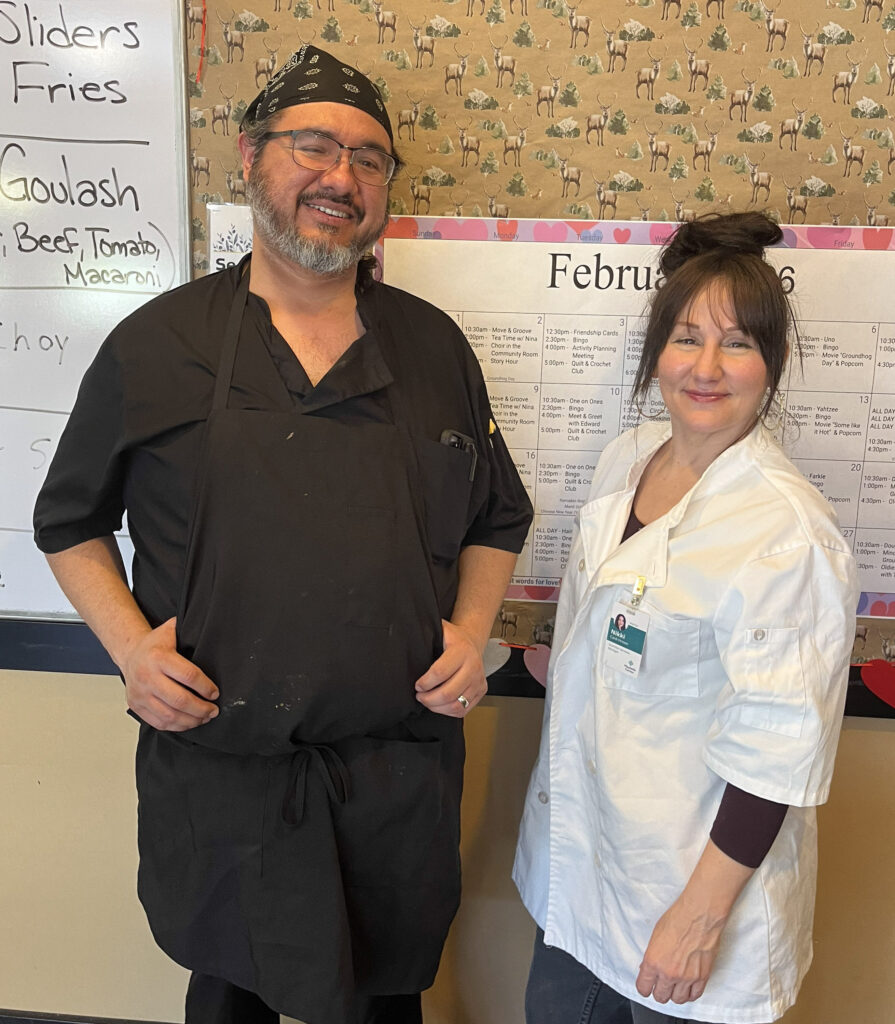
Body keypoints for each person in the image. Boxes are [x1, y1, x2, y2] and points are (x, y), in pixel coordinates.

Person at [33, 46, 532, 1024]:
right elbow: (70, 519)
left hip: (394, 775)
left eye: (368, 157)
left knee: (387, 1002)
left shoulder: (435, 349)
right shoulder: (158, 342)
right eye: (313, 146)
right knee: (228, 997)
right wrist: (132, 650)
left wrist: (471, 633)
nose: (340, 175)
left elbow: (497, 515)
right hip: (226, 769)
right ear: (251, 156)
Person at [514, 212, 857, 1024]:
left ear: (770, 365)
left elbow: (774, 753)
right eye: (685, 338)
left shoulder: (785, 533)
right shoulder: (625, 459)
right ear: (655, 351)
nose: (705, 368)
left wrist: (697, 921)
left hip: (694, 909)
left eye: (736, 343)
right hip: (582, 872)